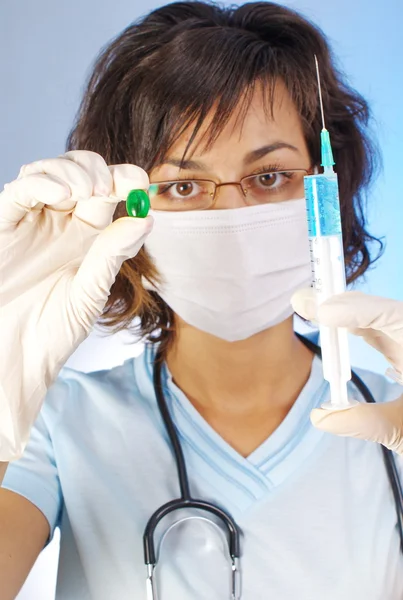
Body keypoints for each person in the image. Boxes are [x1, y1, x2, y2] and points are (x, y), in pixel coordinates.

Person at [0, 2, 403, 599]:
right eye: (183, 186)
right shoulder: (52, 423)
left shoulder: (393, 420)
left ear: (325, 190)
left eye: (269, 177)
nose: (232, 217)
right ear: (123, 212)